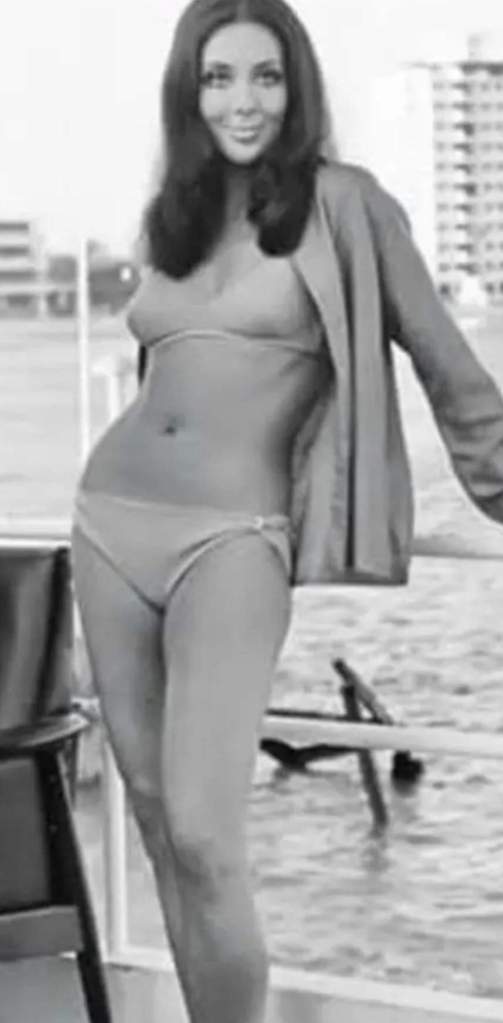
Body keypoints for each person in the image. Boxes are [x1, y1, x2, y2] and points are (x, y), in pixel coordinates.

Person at [70, 0, 503, 1020]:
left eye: (264, 77)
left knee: (205, 833)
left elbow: (445, 364)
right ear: (189, 94)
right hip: (107, 524)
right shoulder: (174, 214)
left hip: (233, 539)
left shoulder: (347, 205)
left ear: (295, 89)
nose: (243, 102)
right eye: (218, 78)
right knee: (154, 820)